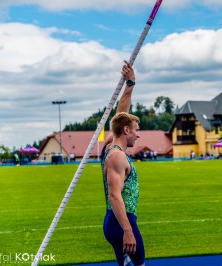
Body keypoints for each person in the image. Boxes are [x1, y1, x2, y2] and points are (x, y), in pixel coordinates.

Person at [101, 60, 145, 266]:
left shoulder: (111, 145)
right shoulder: (116, 156)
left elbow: (120, 114)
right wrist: (128, 231)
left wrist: (130, 84)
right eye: (136, 129)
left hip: (116, 221)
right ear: (126, 130)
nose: (138, 134)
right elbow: (114, 195)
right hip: (122, 223)